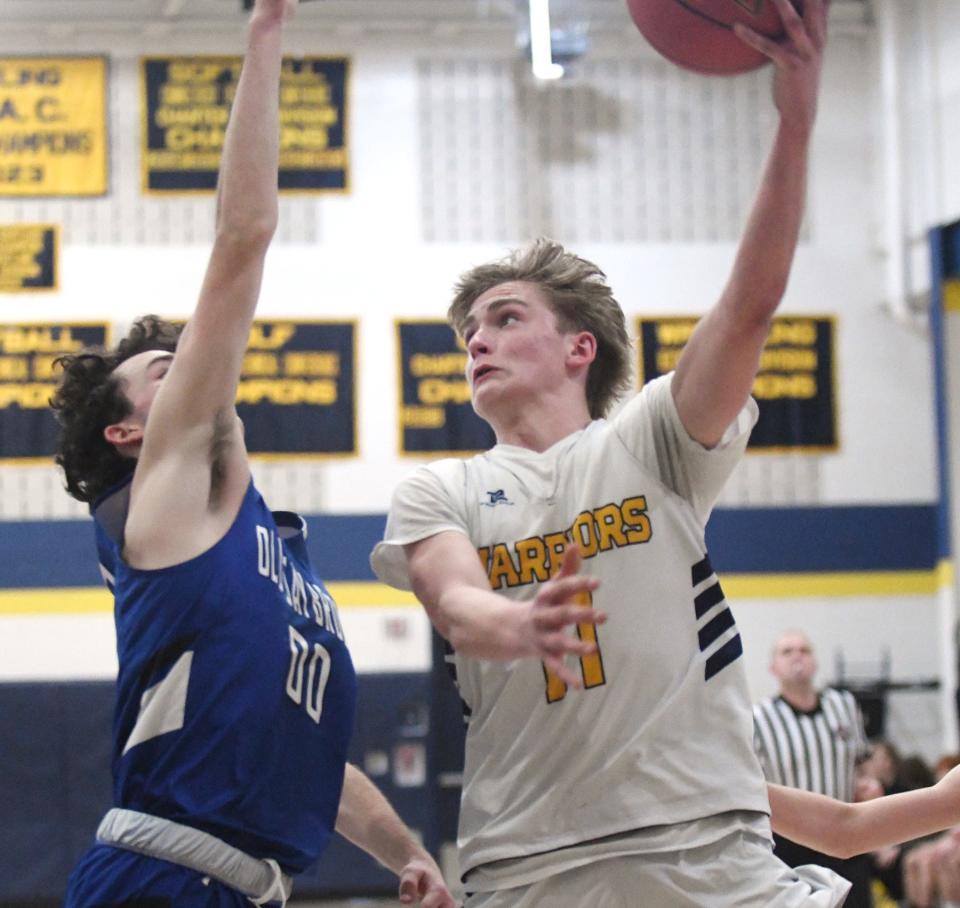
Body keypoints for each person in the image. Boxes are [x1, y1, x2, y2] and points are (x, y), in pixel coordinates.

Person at [371, 1, 844, 905]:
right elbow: (460, 606)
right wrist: (524, 626)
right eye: (469, 330)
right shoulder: (442, 488)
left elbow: (746, 307)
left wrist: (795, 118)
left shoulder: (655, 437)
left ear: (580, 346)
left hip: (708, 849)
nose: (477, 341)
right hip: (530, 866)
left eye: (505, 319)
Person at [51, 2, 453, 906]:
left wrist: (405, 851)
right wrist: (266, 29)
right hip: (157, 874)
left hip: (242, 884)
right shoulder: (162, 502)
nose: (196, 365)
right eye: (169, 368)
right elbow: (242, 239)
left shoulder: (272, 552)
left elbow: (307, 757)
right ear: (129, 434)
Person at [753, 630, 874, 906]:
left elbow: (862, 763)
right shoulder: (758, 717)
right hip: (790, 840)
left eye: (804, 650)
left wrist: (867, 784)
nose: (797, 656)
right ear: (773, 668)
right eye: (787, 651)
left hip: (847, 833)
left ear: (815, 663)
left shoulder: (844, 705)